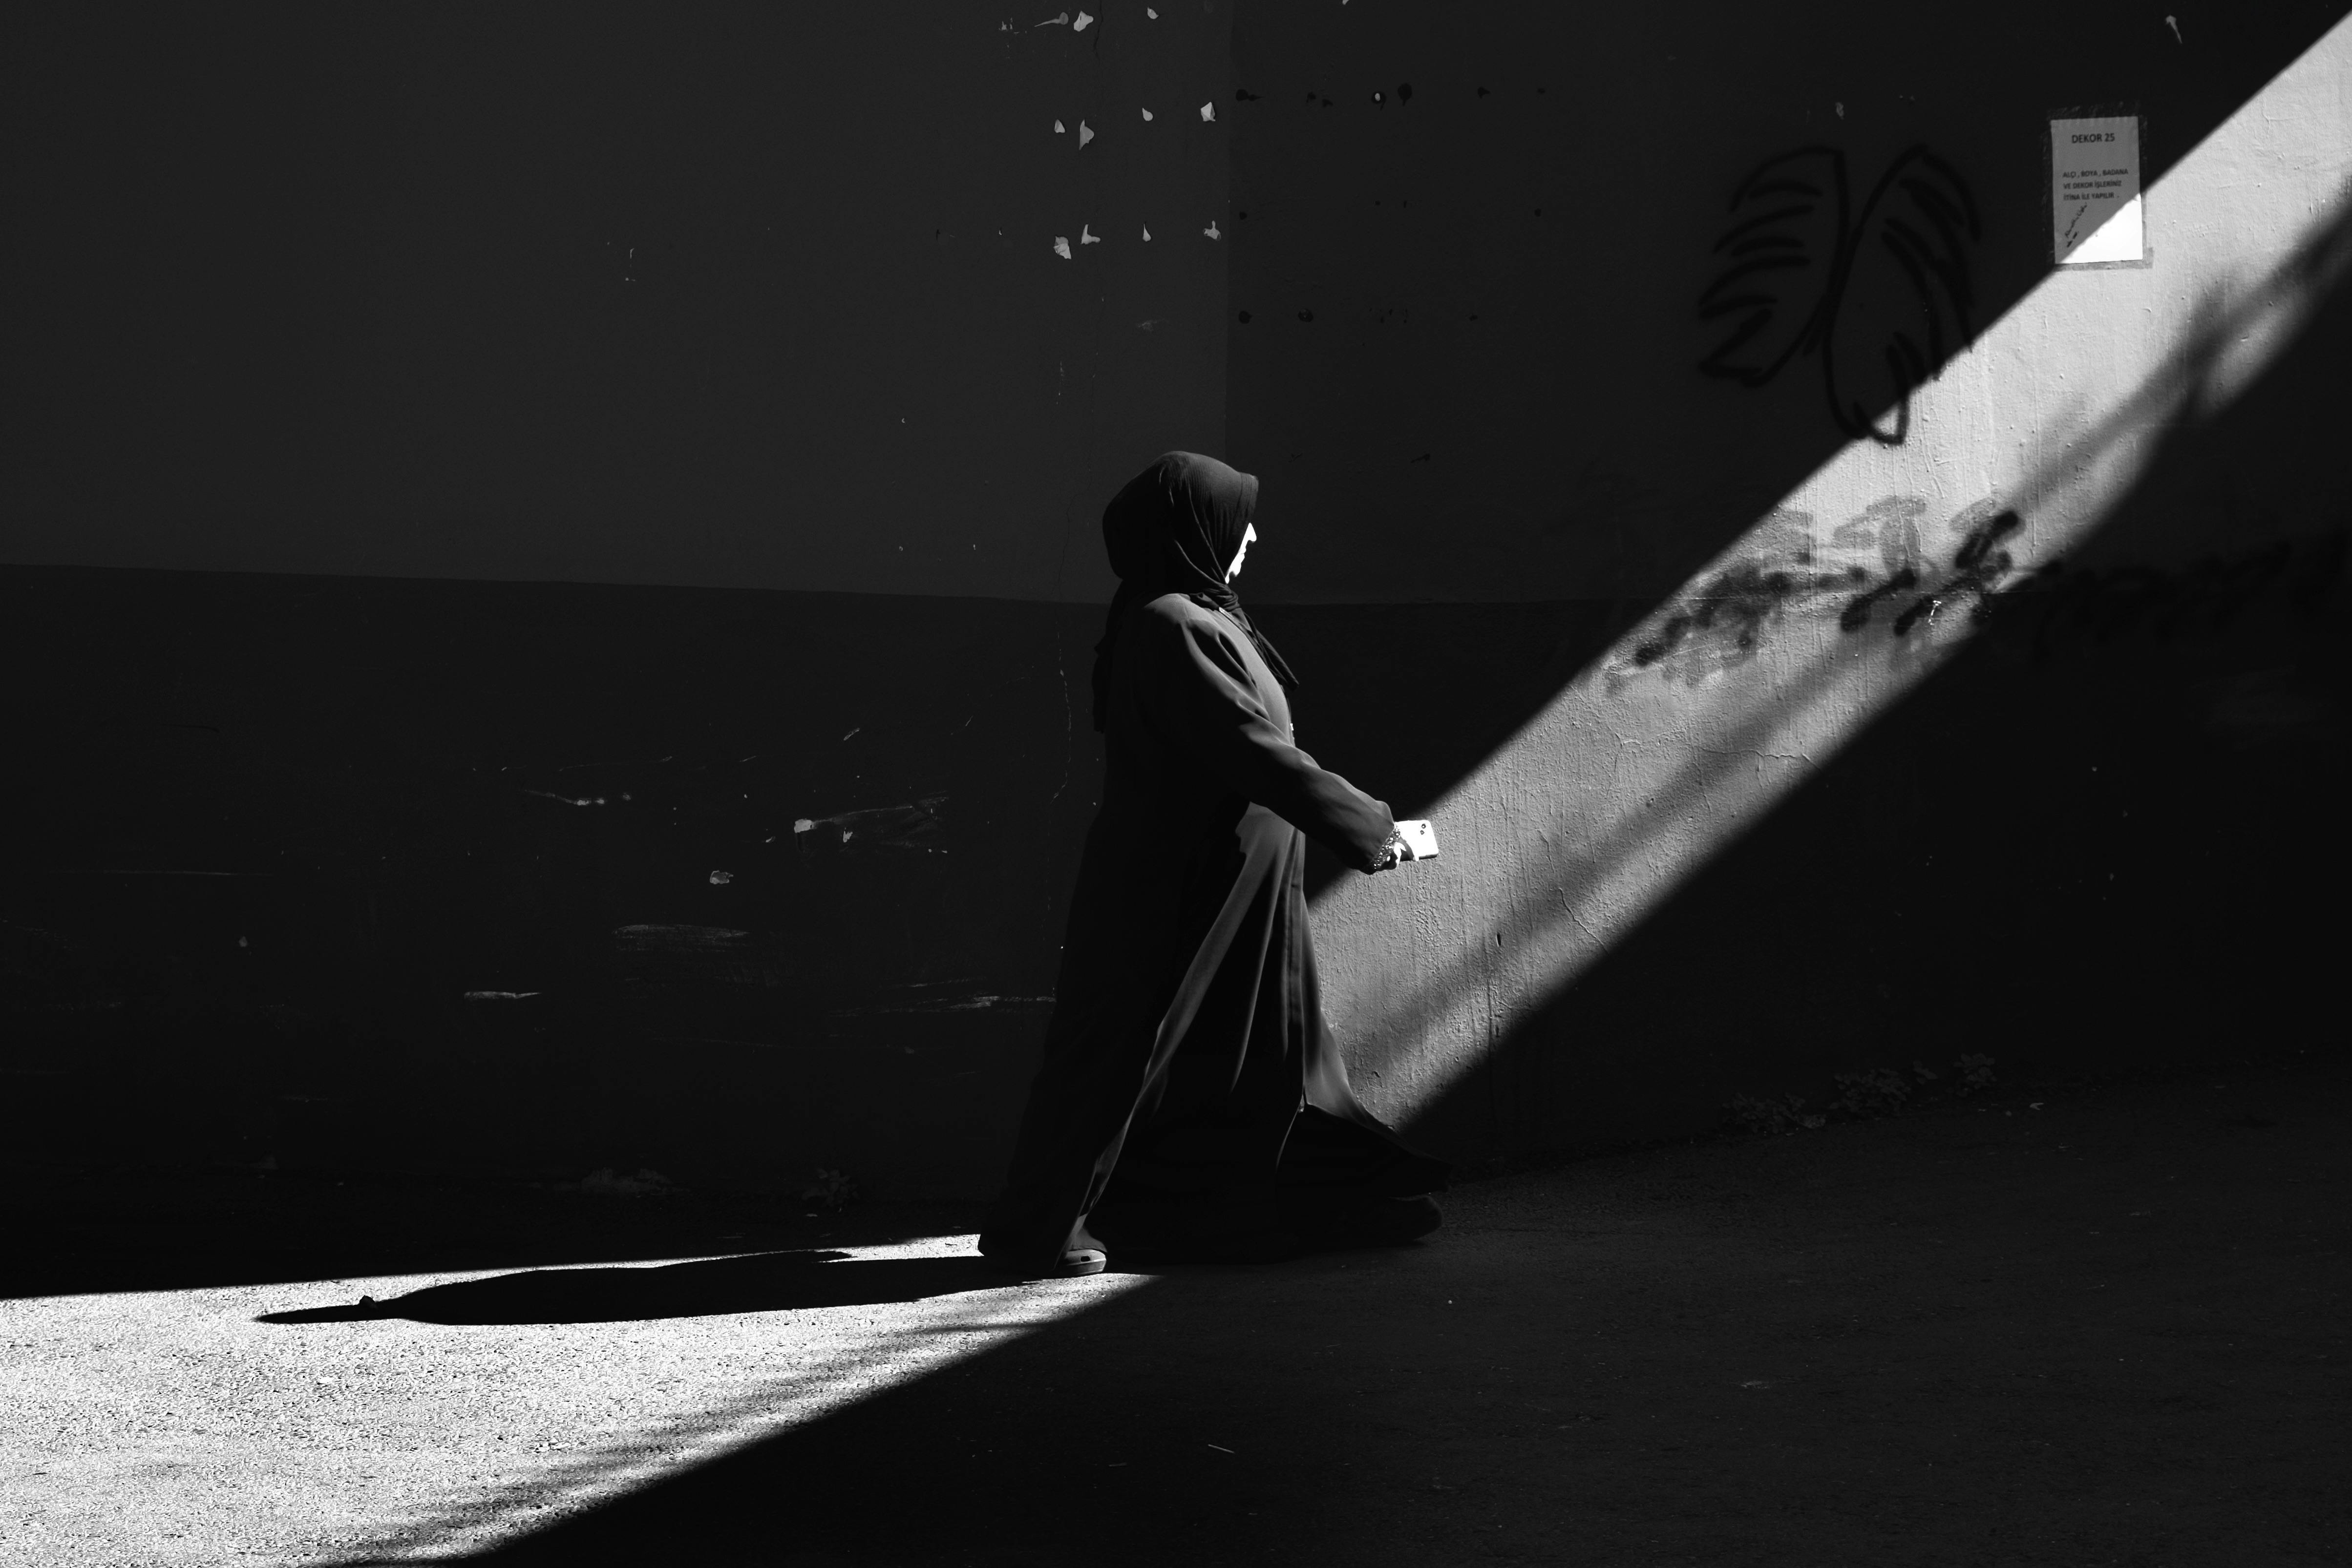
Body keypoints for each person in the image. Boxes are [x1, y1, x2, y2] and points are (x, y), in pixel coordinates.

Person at [979, 452, 1448, 1278]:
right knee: (1129, 1043)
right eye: (1239, 518)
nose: (1254, 534)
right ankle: (1037, 1230)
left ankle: (1309, 1200)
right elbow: (1252, 749)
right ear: (1192, 527)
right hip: (1183, 882)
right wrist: (1371, 828)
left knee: (1271, 1048)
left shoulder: (1199, 615)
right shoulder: (1175, 623)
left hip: (1237, 884)